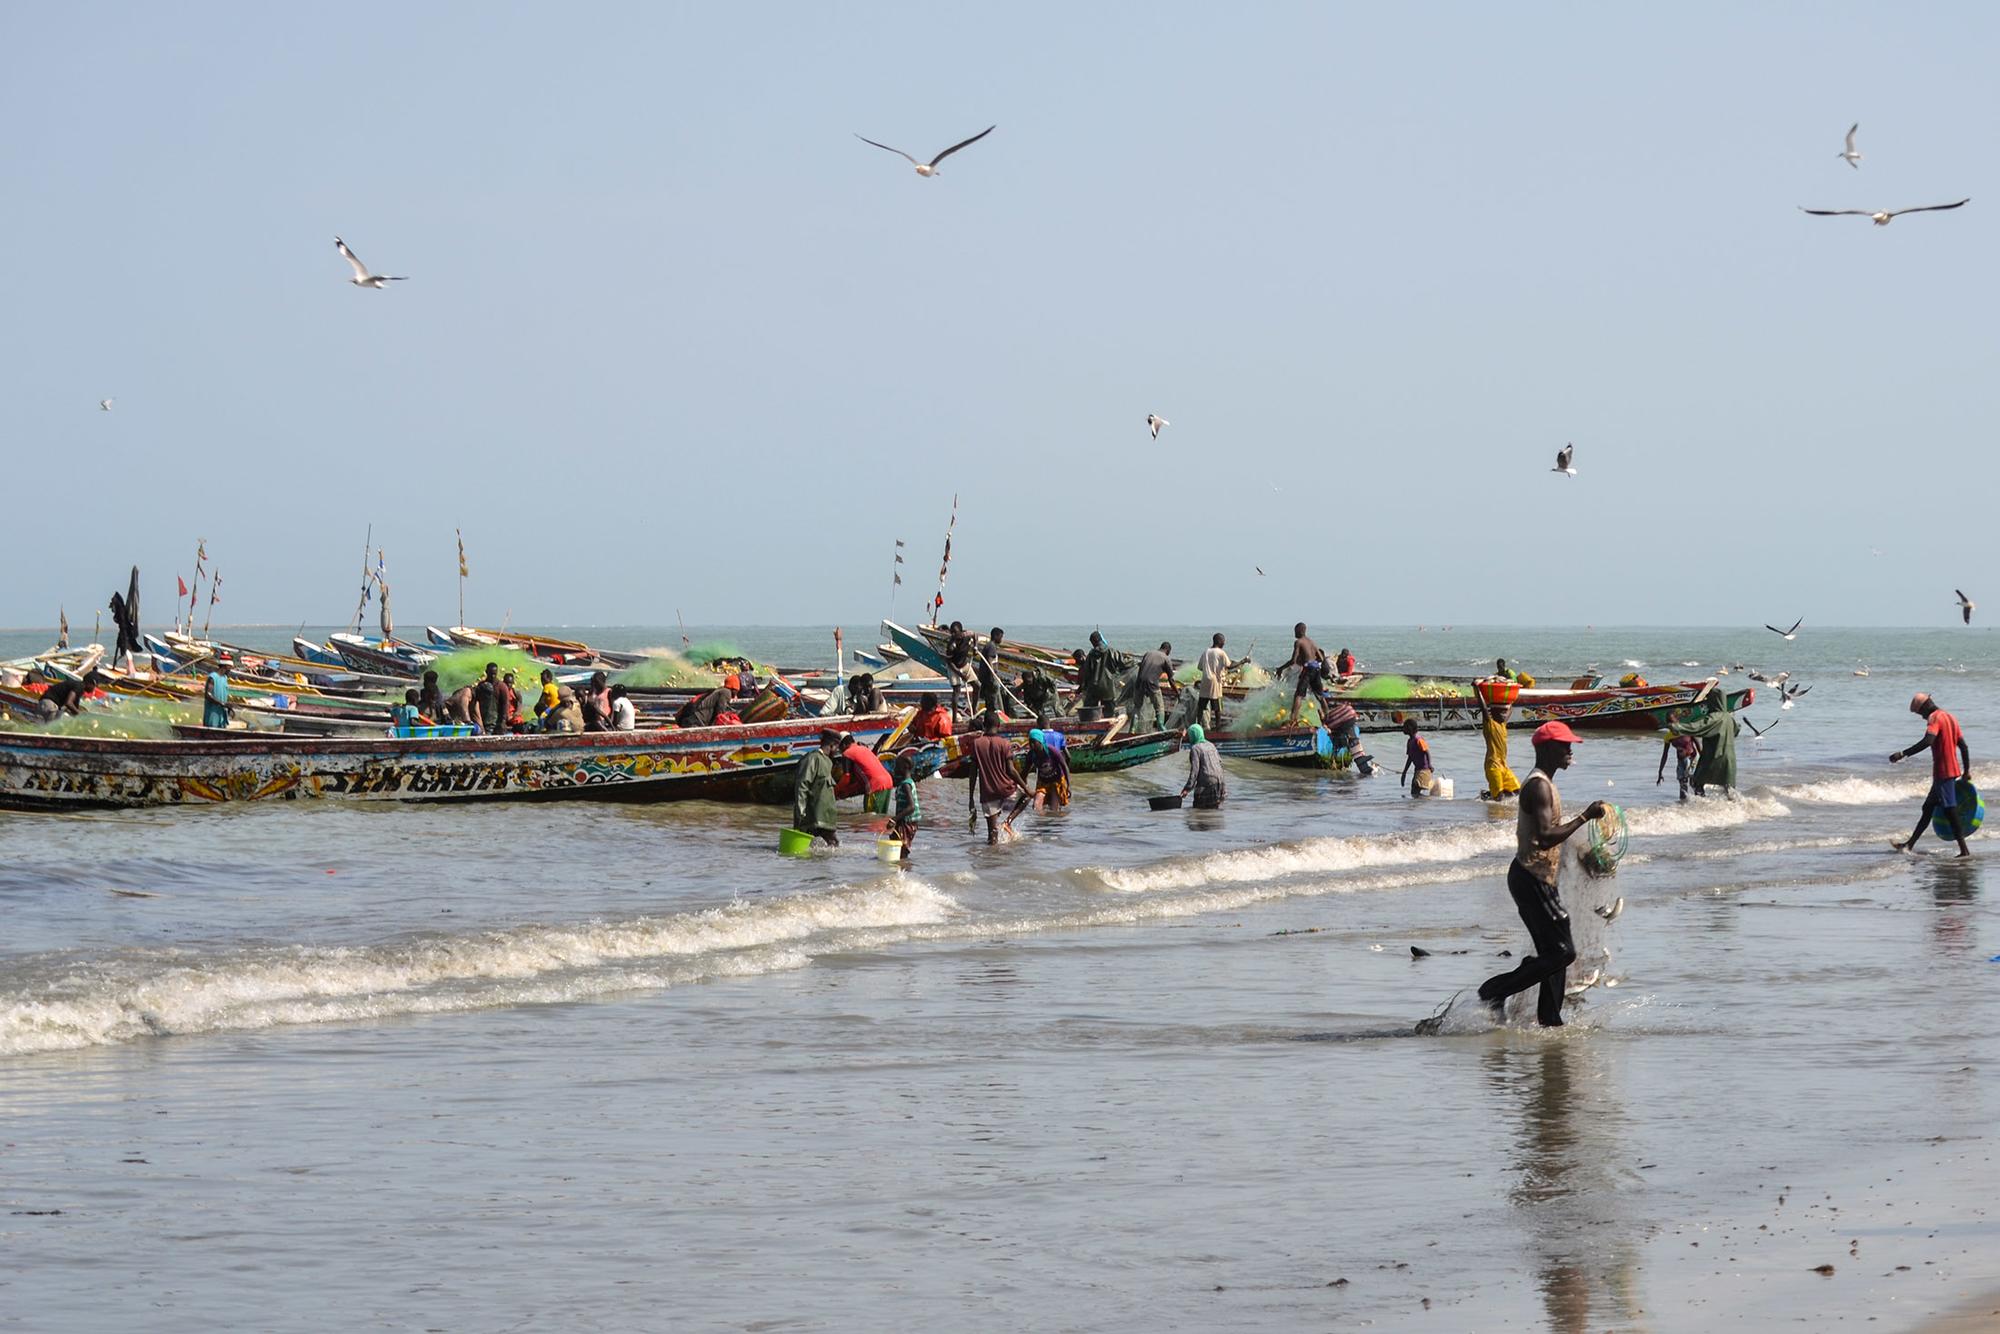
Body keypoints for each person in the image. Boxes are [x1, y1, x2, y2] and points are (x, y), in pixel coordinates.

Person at [1475, 722, 1610, 1027]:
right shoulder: (1538, 786)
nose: (1570, 751)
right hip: (1530, 878)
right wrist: (1585, 816)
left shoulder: (1546, 783)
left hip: (1537, 878)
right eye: (1564, 745)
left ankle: (1550, 1018)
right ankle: (1495, 989)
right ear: (1547, 749)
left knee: (1553, 952)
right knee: (1563, 952)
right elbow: (1547, 837)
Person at [1891, 693, 1972, 857]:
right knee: (1927, 808)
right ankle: (1909, 845)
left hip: (1944, 772)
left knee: (1950, 811)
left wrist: (1903, 754)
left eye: (1920, 713)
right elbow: (1963, 746)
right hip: (1949, 771)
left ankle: (1964, 850)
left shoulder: (1934, 718)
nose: (1922, 717)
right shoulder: (1950, 717)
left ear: (1925, 707)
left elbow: (1928, 741)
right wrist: (1966, 771)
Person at [1670, 688, 1740, 799]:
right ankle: (1736, 807)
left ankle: (1702, 805)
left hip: (1714, 757)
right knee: (1729, 789)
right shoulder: (1729, 718)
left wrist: (1678, 727)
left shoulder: (1714, 718)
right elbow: (1737, 730)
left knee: (1696, 783)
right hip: (1730, 760)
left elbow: (1698, 727)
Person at [966, 711, 1024, 845]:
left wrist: (971, 798)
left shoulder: (976, 744)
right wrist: (1026, 787)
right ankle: (1008, 822)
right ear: (998, 725)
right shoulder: (1004, 743)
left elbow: (973, 773)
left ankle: (991, 857)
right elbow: (1011, 770)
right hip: (1006, 789)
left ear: (984, 725)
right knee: (1025, 797)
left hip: (988, 794)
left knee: (992, 837)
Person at [792, 728, 843, 847]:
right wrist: (800, 813)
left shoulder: (828, 761)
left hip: (826, 819)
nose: (837, 751)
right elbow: (802, 786)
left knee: (829, 847)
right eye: (836, 747)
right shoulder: (812, 759)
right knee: (830, 846)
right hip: (814, 818)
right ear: (831, 745)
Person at [1283, 623, 1333, 725]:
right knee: (1319, 695)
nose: (1294, 633)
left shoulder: (1298, 642)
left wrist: (1281, 668)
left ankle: (1292, 720)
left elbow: (1293, 661)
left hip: (1308, 670)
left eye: (1295, 631)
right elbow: (1321, 658)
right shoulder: (1311, 642)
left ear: (1300, 631)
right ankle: (1328, 716)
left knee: (1298, 695)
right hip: (1316, 669)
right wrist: (1311, 661)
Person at [1122, 642, 1175, 732]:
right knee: (1159, 707)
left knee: (1137, 707)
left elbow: (1141, 667)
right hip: (1152, 684)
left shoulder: (1148, 653)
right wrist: (1177, 693)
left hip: (1139, 683)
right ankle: (1161, 727)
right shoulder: (1166, 658)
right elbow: (1171, 680)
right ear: (1168, 651)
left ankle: (1132, 730)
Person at [1077, 631, 1130, 718]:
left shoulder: (1091, 655)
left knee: (1090, 712)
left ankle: (1093, 724)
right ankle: (1108, 722)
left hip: (1094, 688)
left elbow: (1087, 673)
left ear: (1093, 642)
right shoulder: (1112, 651)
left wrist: (1083, 687)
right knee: (1109, 712)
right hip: (1108, 687)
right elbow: (1124, 663)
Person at [1021, 728, 1071, 814]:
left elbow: (1064, 766)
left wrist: (1068, 785)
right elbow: (1024, 773)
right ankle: (1041, 822)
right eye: (1030, 742)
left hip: (1056, 781)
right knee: (1036, 806)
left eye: (1034, 742)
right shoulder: (1031, 754)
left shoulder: (1052, 751)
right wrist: (1026, 789)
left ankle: (1052, 822)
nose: (1032, 745)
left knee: (1054, 810)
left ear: (1040, 741)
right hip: (1042, 782)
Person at [841, 734, 894, 814]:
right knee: (882, 815)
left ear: (844, 745)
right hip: (888, 781)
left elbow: (846, 777)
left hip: (875, 785)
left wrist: (835, 791)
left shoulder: (847, 753)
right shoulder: (865, 749)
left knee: (871, 817)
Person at [1322, 699, 1376, 776]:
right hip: (1349, 714)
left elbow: (1330, 731)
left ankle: (1361, 762)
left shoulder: (1329, 722)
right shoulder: (1332, 717)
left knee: (1351, 738)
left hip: (1346, 717)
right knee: (1352, 738)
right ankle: (1362, 761)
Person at [1195, 634, 1236, 731]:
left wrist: (1209, 669)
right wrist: (1243, 661)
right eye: (1223, 641)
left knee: (1201, 707)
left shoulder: (1206, 651)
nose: (1224, 643)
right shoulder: (1221, 652)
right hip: (1215, 683)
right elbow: (1230, 666)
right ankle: (1217, 728)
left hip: (1205, 682)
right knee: (1217, 709)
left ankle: (1197, 726)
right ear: (1219, 641)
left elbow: (1200, 667)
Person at [1181, 722, 1227, 808]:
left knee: (1198, 810)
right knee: (1214, 810)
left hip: (1206, 784)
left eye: (1190, 736)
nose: (1189, 738)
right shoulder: (1211, 745)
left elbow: (1194, 771)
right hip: (1220, 783)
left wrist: (1187, 789)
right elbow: (1220, 764)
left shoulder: (1195, 748)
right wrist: (1223, 788)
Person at [1481, 704, 1521, 800]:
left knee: (1517, 791)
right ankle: (1491, 796)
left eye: (1505, 713)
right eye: (1502, 713)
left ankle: (1487, 795)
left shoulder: (1502, 725)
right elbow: (1483, 709)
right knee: (1499, 797)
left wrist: (1512, 701)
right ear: (1493, 714)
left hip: (1503, 765)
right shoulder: (1490, 725)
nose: (1504, 715)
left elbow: (1510, 710)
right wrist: (1478, 694)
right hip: (1493, 765)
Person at [888, 752, 922, 857]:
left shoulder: (906, 785)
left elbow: (911, 807)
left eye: (896, 766)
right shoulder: (909, 782)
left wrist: (894, 819)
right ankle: (902, 864)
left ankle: (903, 865)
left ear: (904, 767)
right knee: (895, 841)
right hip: (905, 821)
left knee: (901, 848)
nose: (894, 768)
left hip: (907, 822)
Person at [943, 621, 976, 719]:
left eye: (955, 632)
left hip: (964, 664)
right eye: (952, 632)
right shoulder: (951, 645)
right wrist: (960, 675)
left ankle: (974, 710)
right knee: (957, 690)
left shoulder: (967, 635)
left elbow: (975, 635)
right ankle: (954, 719)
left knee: (977, 685)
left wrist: (975, 646)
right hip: (954, 667)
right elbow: (950, 662)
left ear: (961, 632)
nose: (953, 634)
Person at [1657, 731, 1698, 803]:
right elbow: (1665, 754)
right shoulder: (1668, 736)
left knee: (1693, 783)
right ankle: (1682, 805)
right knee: (1682, 784)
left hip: (1692, 758)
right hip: (1681, 761)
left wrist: (1704, 761)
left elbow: (1698, 745)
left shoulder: (1687, 730)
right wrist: (1660, 771)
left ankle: (1701, 803)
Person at [1400, 718, 1436, 796]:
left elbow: (1426, 752)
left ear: (1409, 728)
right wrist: (1404, 772)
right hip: (1417, 770)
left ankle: (1425, 801)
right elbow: (1410, 758)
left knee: (1415, 790)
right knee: (1414, 791)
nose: (1403, 729)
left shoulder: (1418, 740)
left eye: (1404, 727)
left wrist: (1429, 765)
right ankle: (1423, 801)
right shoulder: (1409, 741)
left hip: (1424, 770)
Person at [472, 662, 505, 735]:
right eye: (491, 674)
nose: (493, 676)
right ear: (486, 672)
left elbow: (505, 706)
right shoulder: (481, 685)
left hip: (494, 722)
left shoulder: (502, 687)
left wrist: (502, 723)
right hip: (481, 720)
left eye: (494, 674)